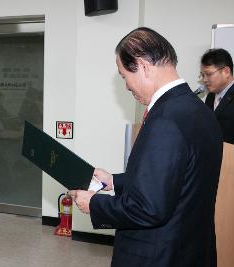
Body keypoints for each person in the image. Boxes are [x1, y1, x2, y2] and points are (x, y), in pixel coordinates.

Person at [70, 27, 223, 267]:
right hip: (191, 248)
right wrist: (114, 181)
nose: (127, 86)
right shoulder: (200, 110)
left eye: (124, 76)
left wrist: (95, 204)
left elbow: (149, 208)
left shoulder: (165, 119)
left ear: (142, 66)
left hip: (159, 254)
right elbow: (174, 180)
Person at [201, 48, 234, 144]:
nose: (204, 80)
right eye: (202, 75)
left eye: (208, 74)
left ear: (226, 71)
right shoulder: (210, 96)